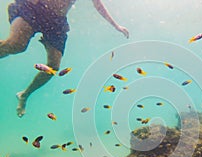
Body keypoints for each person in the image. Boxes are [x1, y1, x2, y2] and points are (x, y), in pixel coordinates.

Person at [0, 0, 129, 117]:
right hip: (34, 7)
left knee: (53, 67)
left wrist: (116, 26)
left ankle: (24, 95)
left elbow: (98, 4)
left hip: (56, 21)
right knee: (16, 45)